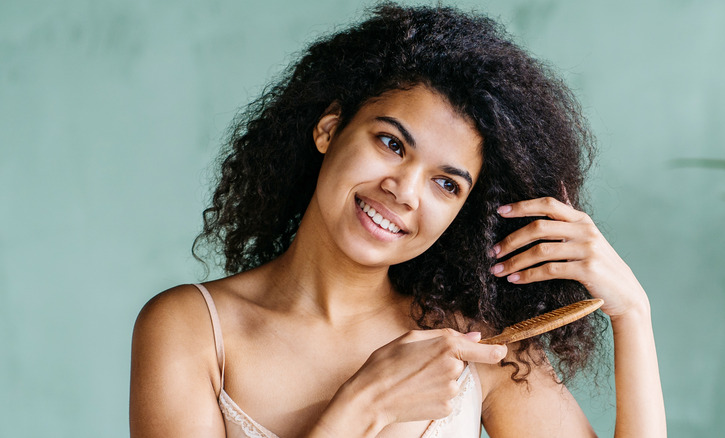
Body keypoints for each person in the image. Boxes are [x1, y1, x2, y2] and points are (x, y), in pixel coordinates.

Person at [129, 3, 666, 437]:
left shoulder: (480, 345)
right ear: (329, 129)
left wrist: (633, 315)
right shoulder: (194, 329)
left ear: (463, 213)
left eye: (446, 183)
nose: (404, 191)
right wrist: (362, 407)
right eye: (391, 143)